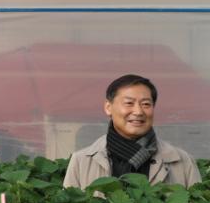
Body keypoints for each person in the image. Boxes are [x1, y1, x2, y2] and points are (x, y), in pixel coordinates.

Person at [63, 74, 201, 189]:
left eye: (146, 104)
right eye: (129, 103)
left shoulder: (183, 161)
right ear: (108, 107)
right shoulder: (81, 161)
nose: (138, 111)